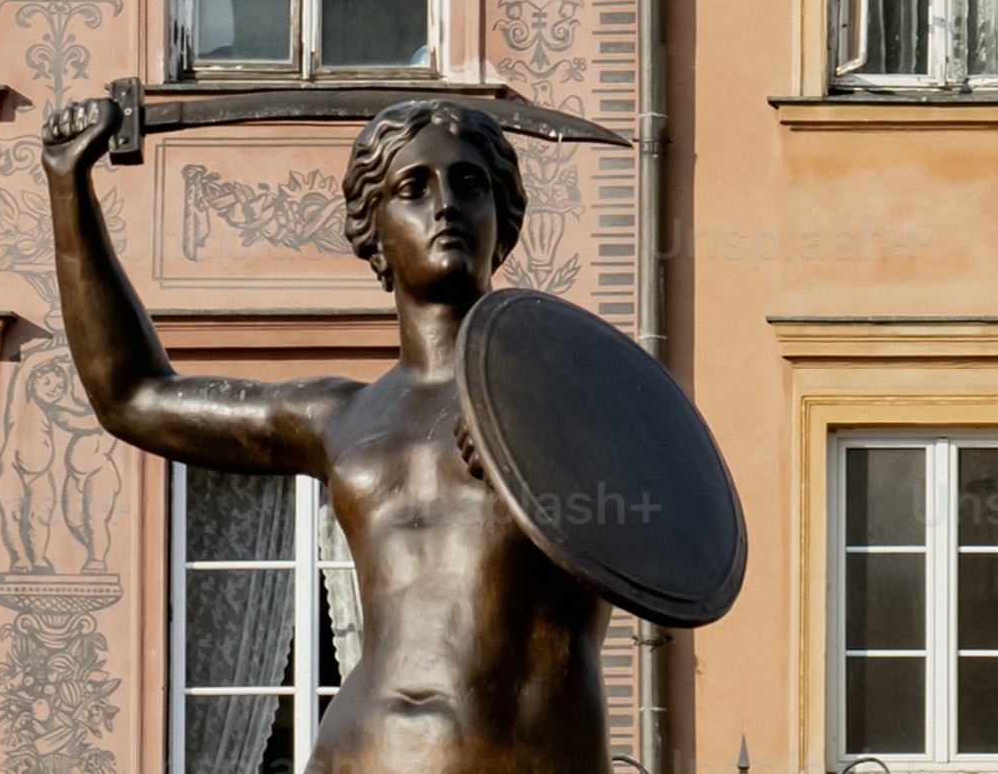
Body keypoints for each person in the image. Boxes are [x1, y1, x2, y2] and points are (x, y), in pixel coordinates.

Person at [42, 92, 609, 774]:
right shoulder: (341, 415)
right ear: (374, 226)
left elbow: (679, 542)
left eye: (470, 184)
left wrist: (536, 464)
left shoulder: (566, 399)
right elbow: (132, 395)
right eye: (412, 187)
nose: (446, 205)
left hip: (516, 755)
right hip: (358, 753)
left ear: (503, 219)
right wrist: (68, 184)